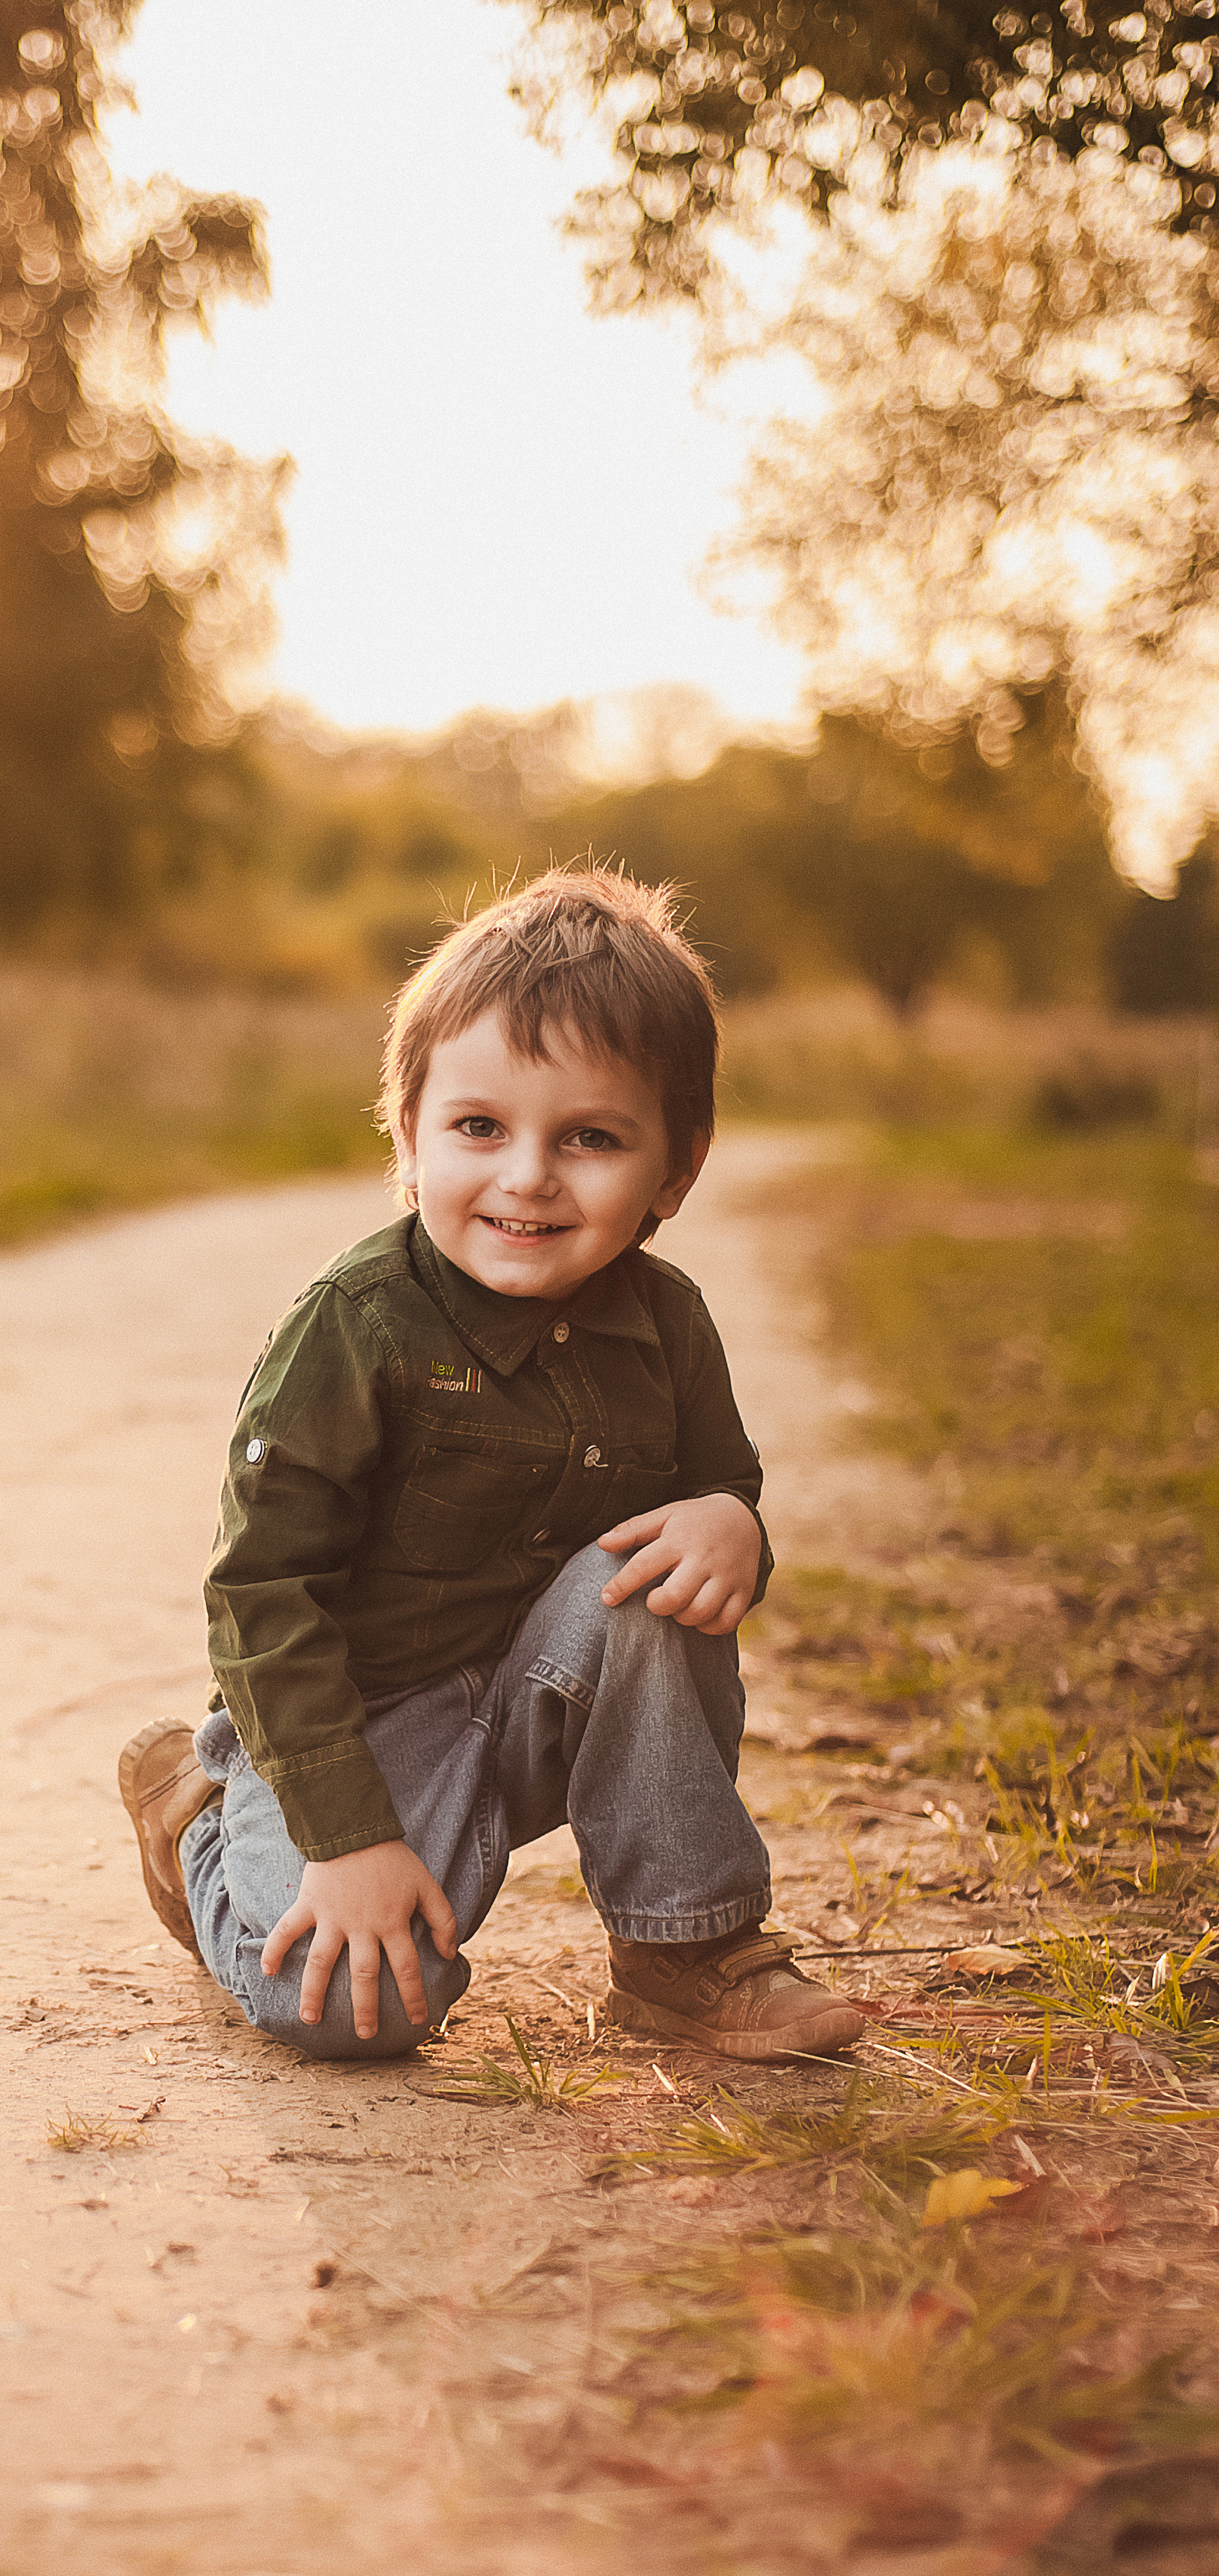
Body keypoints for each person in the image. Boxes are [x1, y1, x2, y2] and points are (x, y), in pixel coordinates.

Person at [116, 867, 866, 2065]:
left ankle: (686, 1951)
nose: (528, 1176)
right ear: (408, 1133)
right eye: (480, 1128)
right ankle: (199, 1820)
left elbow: (726, 1489)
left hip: (536, 1692)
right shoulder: (355, 1326)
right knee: (342, 2005)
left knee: (656, 1571)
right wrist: (351, 1838)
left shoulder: (668, 1324)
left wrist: (735, 1522)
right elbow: (259, 1593)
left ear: (677, 1167)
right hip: (355, 1723)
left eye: (592, 1138)